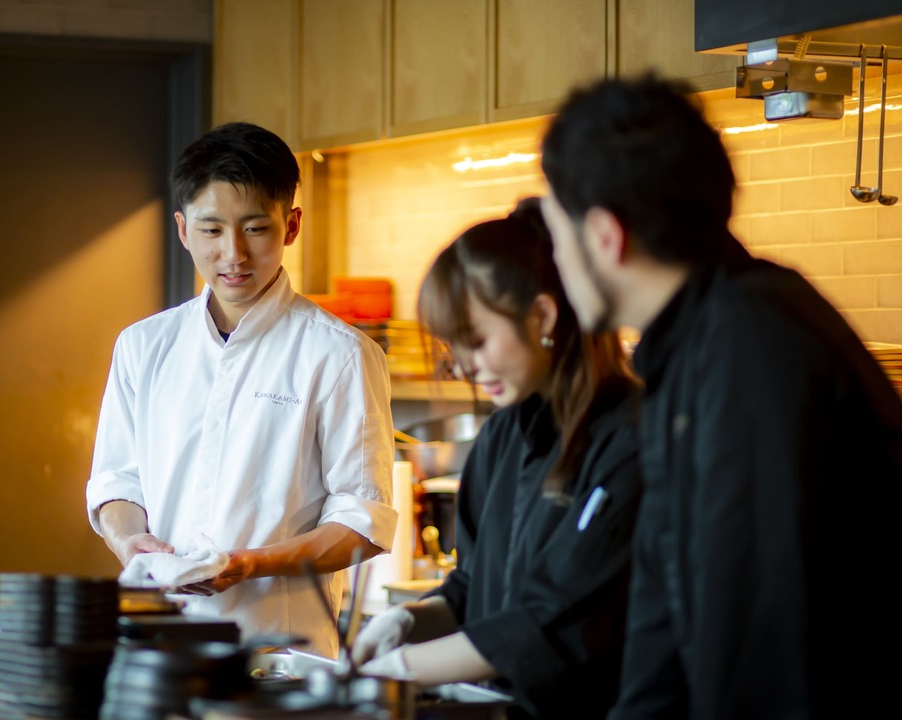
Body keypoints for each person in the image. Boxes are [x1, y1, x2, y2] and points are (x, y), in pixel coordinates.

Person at [538, 74, 902, 719]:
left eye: (557, 237)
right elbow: (664, 623)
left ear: (605, 237)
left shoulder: (751, 344)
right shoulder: (688, 346)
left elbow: (761, 646)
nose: (556, 261)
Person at [85, 122, 397, 657]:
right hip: (153, 645)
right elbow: (117, 479)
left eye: (255, 229)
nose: (233, 254)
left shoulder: (340, 354)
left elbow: (361, 522)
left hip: (279, 656)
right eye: (211, 230)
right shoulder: (143, 345)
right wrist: (129, 541)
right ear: (183, 230)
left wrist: (251, 564)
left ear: (291, 225)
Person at [354, 199, 644, 719]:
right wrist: (409, 621)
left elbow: (551, 625)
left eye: (477, 341)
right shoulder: (501, 436)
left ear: (543, 317)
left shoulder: (628, 439)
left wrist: (403, 669)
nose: (464, 367)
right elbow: (472, 590)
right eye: (454, 347)